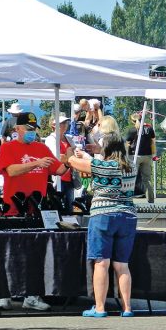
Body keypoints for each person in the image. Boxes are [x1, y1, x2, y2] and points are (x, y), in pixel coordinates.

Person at [0, 112, 70, 311]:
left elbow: (60, 170)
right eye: (28, 129)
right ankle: (4, 294)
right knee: (9, 254)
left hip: (37, 210)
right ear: (17, 129)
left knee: (34, 255)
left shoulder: (42, 147)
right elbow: (10, 170)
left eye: (33, 129)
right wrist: (36, 164)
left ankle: (32, 295)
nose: (31, 133)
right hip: (13, 209)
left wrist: (70, 159)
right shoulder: (8, 148)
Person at [68, 132, 138, 317]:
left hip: (103, 215)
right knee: (122, 265)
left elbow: (74, 163)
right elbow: (94, 163)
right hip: (128, 216)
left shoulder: (103, 165)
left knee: (102, 263)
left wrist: (72, 155)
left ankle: (100, 308)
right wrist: (89, 156)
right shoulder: (132, 167)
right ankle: (127, 308)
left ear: (106, 148)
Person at [43, 115, 76, 213]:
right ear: (54, 125)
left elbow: (74, 154)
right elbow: (56, 157)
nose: (65, 125)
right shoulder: (50, 139)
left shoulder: (69, 138)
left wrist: (68, 157)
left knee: (69, 205)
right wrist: (70, 156)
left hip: (70, 176)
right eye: (62, 123)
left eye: (66, 123)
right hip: (58, 176)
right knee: (57, 205)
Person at [126, 112, 156, 203]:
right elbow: (153, 143)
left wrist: (126, 156)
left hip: (135, 155)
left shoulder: (132, 130)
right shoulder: (150, 129)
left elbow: (127, 144)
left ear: (132, 121)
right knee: (147, 179)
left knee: (131, 178)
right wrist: (154, 155)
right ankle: (151, 200)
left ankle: (128, 200)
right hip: (147, 156)